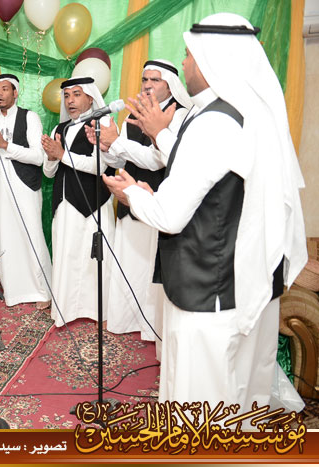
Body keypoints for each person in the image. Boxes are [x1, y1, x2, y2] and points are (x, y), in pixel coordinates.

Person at [102, 13, 306, 415]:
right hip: (245, 283)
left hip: (209, 293)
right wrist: (157, 161)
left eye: (189, 55)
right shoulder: (247, 111)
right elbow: (213, 179)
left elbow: (171, 216)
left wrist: (132, 195)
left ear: (212, 58)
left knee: (200, 413)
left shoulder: (214, 122)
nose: (184, 64)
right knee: (242, 400)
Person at [92, 59, 191, 350]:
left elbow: (157, 159)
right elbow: (119, 158)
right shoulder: (134, 114)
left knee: (151, 269)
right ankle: (125, 321)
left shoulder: (178, 114)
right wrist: (105, 145)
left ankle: (151, 328)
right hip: (130, 200)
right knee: (130, 264)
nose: (147, 85)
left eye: (154, 80)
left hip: (157, 203)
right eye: (144, 79)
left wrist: (117, 143)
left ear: (170, 85)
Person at [41, 77, 116, 326]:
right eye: (66, 96)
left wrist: (62, 154)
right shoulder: (59, 128)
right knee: (67, 256)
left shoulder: (102, 123)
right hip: (64, 204)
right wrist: (52, 157)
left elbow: (99, 167)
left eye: (76, 94)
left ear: (90, 98)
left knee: (91, 259)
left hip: (93, 204)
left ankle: (96, 311)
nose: (70, 101)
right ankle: (65, 309)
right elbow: (49, 173)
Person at [0, 74, 51, 309]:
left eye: (4, 89)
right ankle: (13, 291)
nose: (0, 94)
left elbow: (38, 157)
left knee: (31, 235)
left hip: (25, 185)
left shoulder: (29, 117)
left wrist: (5, 145)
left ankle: (42, 291)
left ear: (15, 92)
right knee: (4, 236)